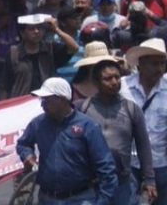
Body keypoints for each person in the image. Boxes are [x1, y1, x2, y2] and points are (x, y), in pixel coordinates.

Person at [17, 77, 118, 205]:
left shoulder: (88, 127)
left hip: (80, 198)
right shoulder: (38, 124)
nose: (43, 104)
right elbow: (23, 143)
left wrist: (103, 201)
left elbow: (106, 167)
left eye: (47, 100)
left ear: (62, 99)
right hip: (47, 198)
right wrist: (28, 156)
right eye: (43, 100)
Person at [79, 58, 155, 205]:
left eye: (117, 77)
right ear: (96, 82)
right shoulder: (83, 108)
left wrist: (150, 180)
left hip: (123, 184)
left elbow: (144, 146)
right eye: (107, 78)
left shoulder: (131, 109)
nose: (114, 82)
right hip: (92, 184)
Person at [121, 37, 167, 204]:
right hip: (129, 164)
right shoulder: (122, 87)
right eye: (155, 64)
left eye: (163, 63)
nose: (160, 69)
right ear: (141, 64)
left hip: (161, 163)